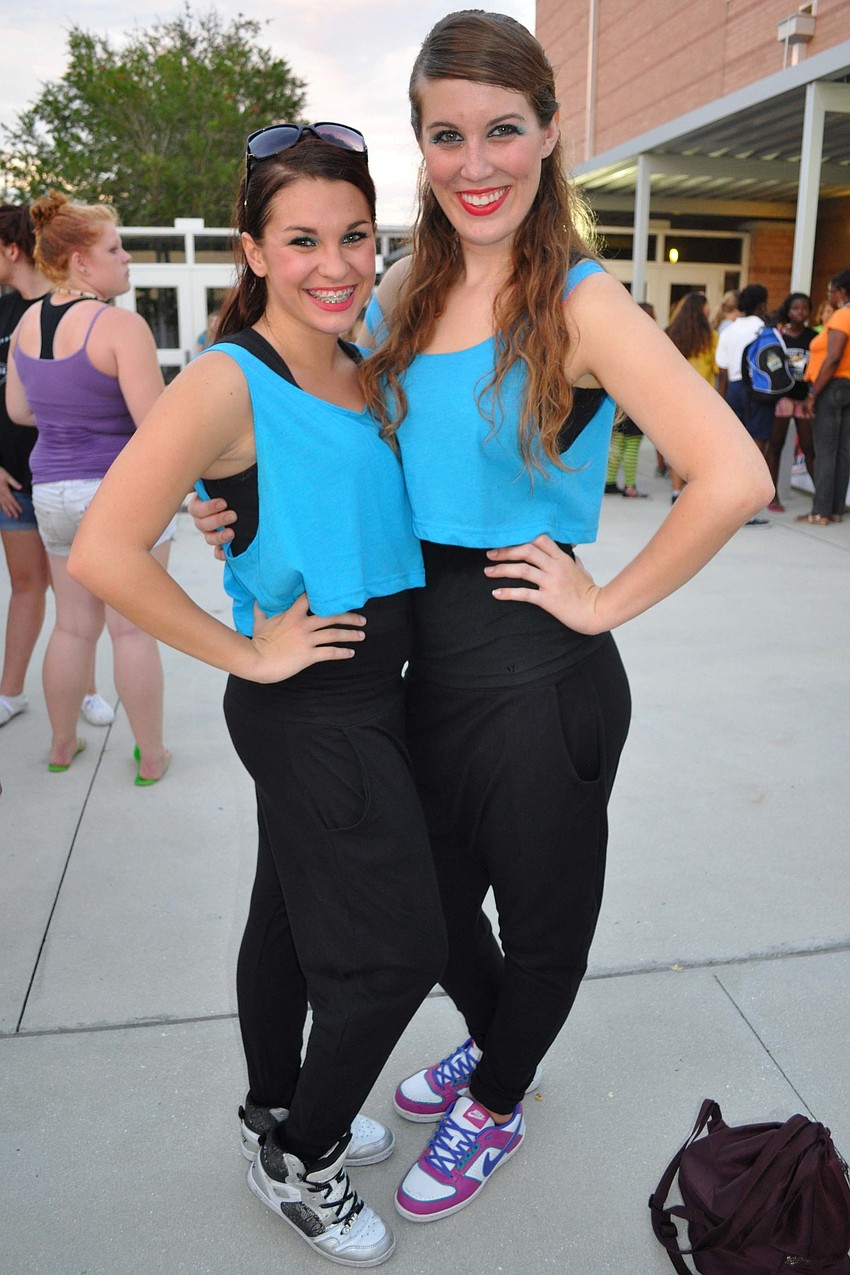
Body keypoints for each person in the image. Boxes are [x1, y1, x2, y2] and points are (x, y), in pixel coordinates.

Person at [191, 10, 771, 1229]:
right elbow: (326, 433)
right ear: (420, 146)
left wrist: (602, 597)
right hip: (414, 664)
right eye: (447, 135)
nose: (477, 161)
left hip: (533, 669)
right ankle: (497, 1039)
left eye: (504, 129)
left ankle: (500, 1093)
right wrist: (240, 510)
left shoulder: (580, 299)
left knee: (543, 912)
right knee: (434, 907)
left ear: (550, 134)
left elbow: (734, 477)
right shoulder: (406, 286)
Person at [69, 126, 446, 1267]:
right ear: (251, 248)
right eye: (301, 241)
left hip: (378, 687)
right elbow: (102, 550)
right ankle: (305, 1155)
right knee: (398, 952)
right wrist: (250, 655)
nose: (333, 264)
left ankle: (271, 1116)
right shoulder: (231, 375)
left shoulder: (363, 353)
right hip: (312, 698)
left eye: (352, 236)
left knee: (280, 925)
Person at [5, 194, 172, 777]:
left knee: (73, 626)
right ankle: (150, 756)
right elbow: (156, 425)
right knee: (132, 630)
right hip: (118, 494)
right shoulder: (120, 326)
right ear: (80, 262)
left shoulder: (27, 322)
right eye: (114, 248)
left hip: (51, 493)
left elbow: (20, 411)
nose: (125, 259)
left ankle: (60, 745)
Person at [0, 203, 113, 729]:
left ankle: (75, 714)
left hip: (50, 477)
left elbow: (20, 408)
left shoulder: (40, 316)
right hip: (35, 478)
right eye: (114, 249)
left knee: (75, 615)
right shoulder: (15, 313)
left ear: (15, 249)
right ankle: (12, 693)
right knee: (42, 595)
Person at [796, 268, 850, 526]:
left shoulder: (842, 315)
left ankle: (820, 512)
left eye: (830, 291)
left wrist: (813, 393)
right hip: (848, 387)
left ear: (841, 292)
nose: (829, 295)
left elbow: (833, 357)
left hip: (832, 386)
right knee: (842, 452)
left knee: (825, 451)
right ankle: (836, 510)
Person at [715, 282, 771, 525]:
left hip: (734, 391)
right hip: (759, 391)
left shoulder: (728, 331)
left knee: (735, 449)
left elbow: (723, 373)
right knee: (757, 449)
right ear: (762, 305)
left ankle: (733, 502)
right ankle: (750, 507)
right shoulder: (764, 329)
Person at [664, 292, 719, 504]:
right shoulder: (712, 338)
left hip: (675, 398)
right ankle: (691, 489)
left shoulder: (671, 334)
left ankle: (676, 491)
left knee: (677, 446)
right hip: (704, 401)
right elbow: (716, 369)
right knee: (698, 449)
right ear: (701, 310)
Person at [765, 292, 816, 513]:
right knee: (775, 445)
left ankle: (821, 496)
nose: (800, 312)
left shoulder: (813, 337)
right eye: (796, 308)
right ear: (788, 310)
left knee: (809, 448)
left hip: (804, 398)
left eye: (804, 308)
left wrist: (812, 395)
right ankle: (773, 495)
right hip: (782, 397)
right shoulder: (780, 336)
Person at [605, 301, 654, 497]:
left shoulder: (619, 338)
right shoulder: (646, 341)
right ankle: (630, 486)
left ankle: (609, 482)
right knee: (633, 443)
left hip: (618, 398)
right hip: (636, 398)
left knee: (618, 441)